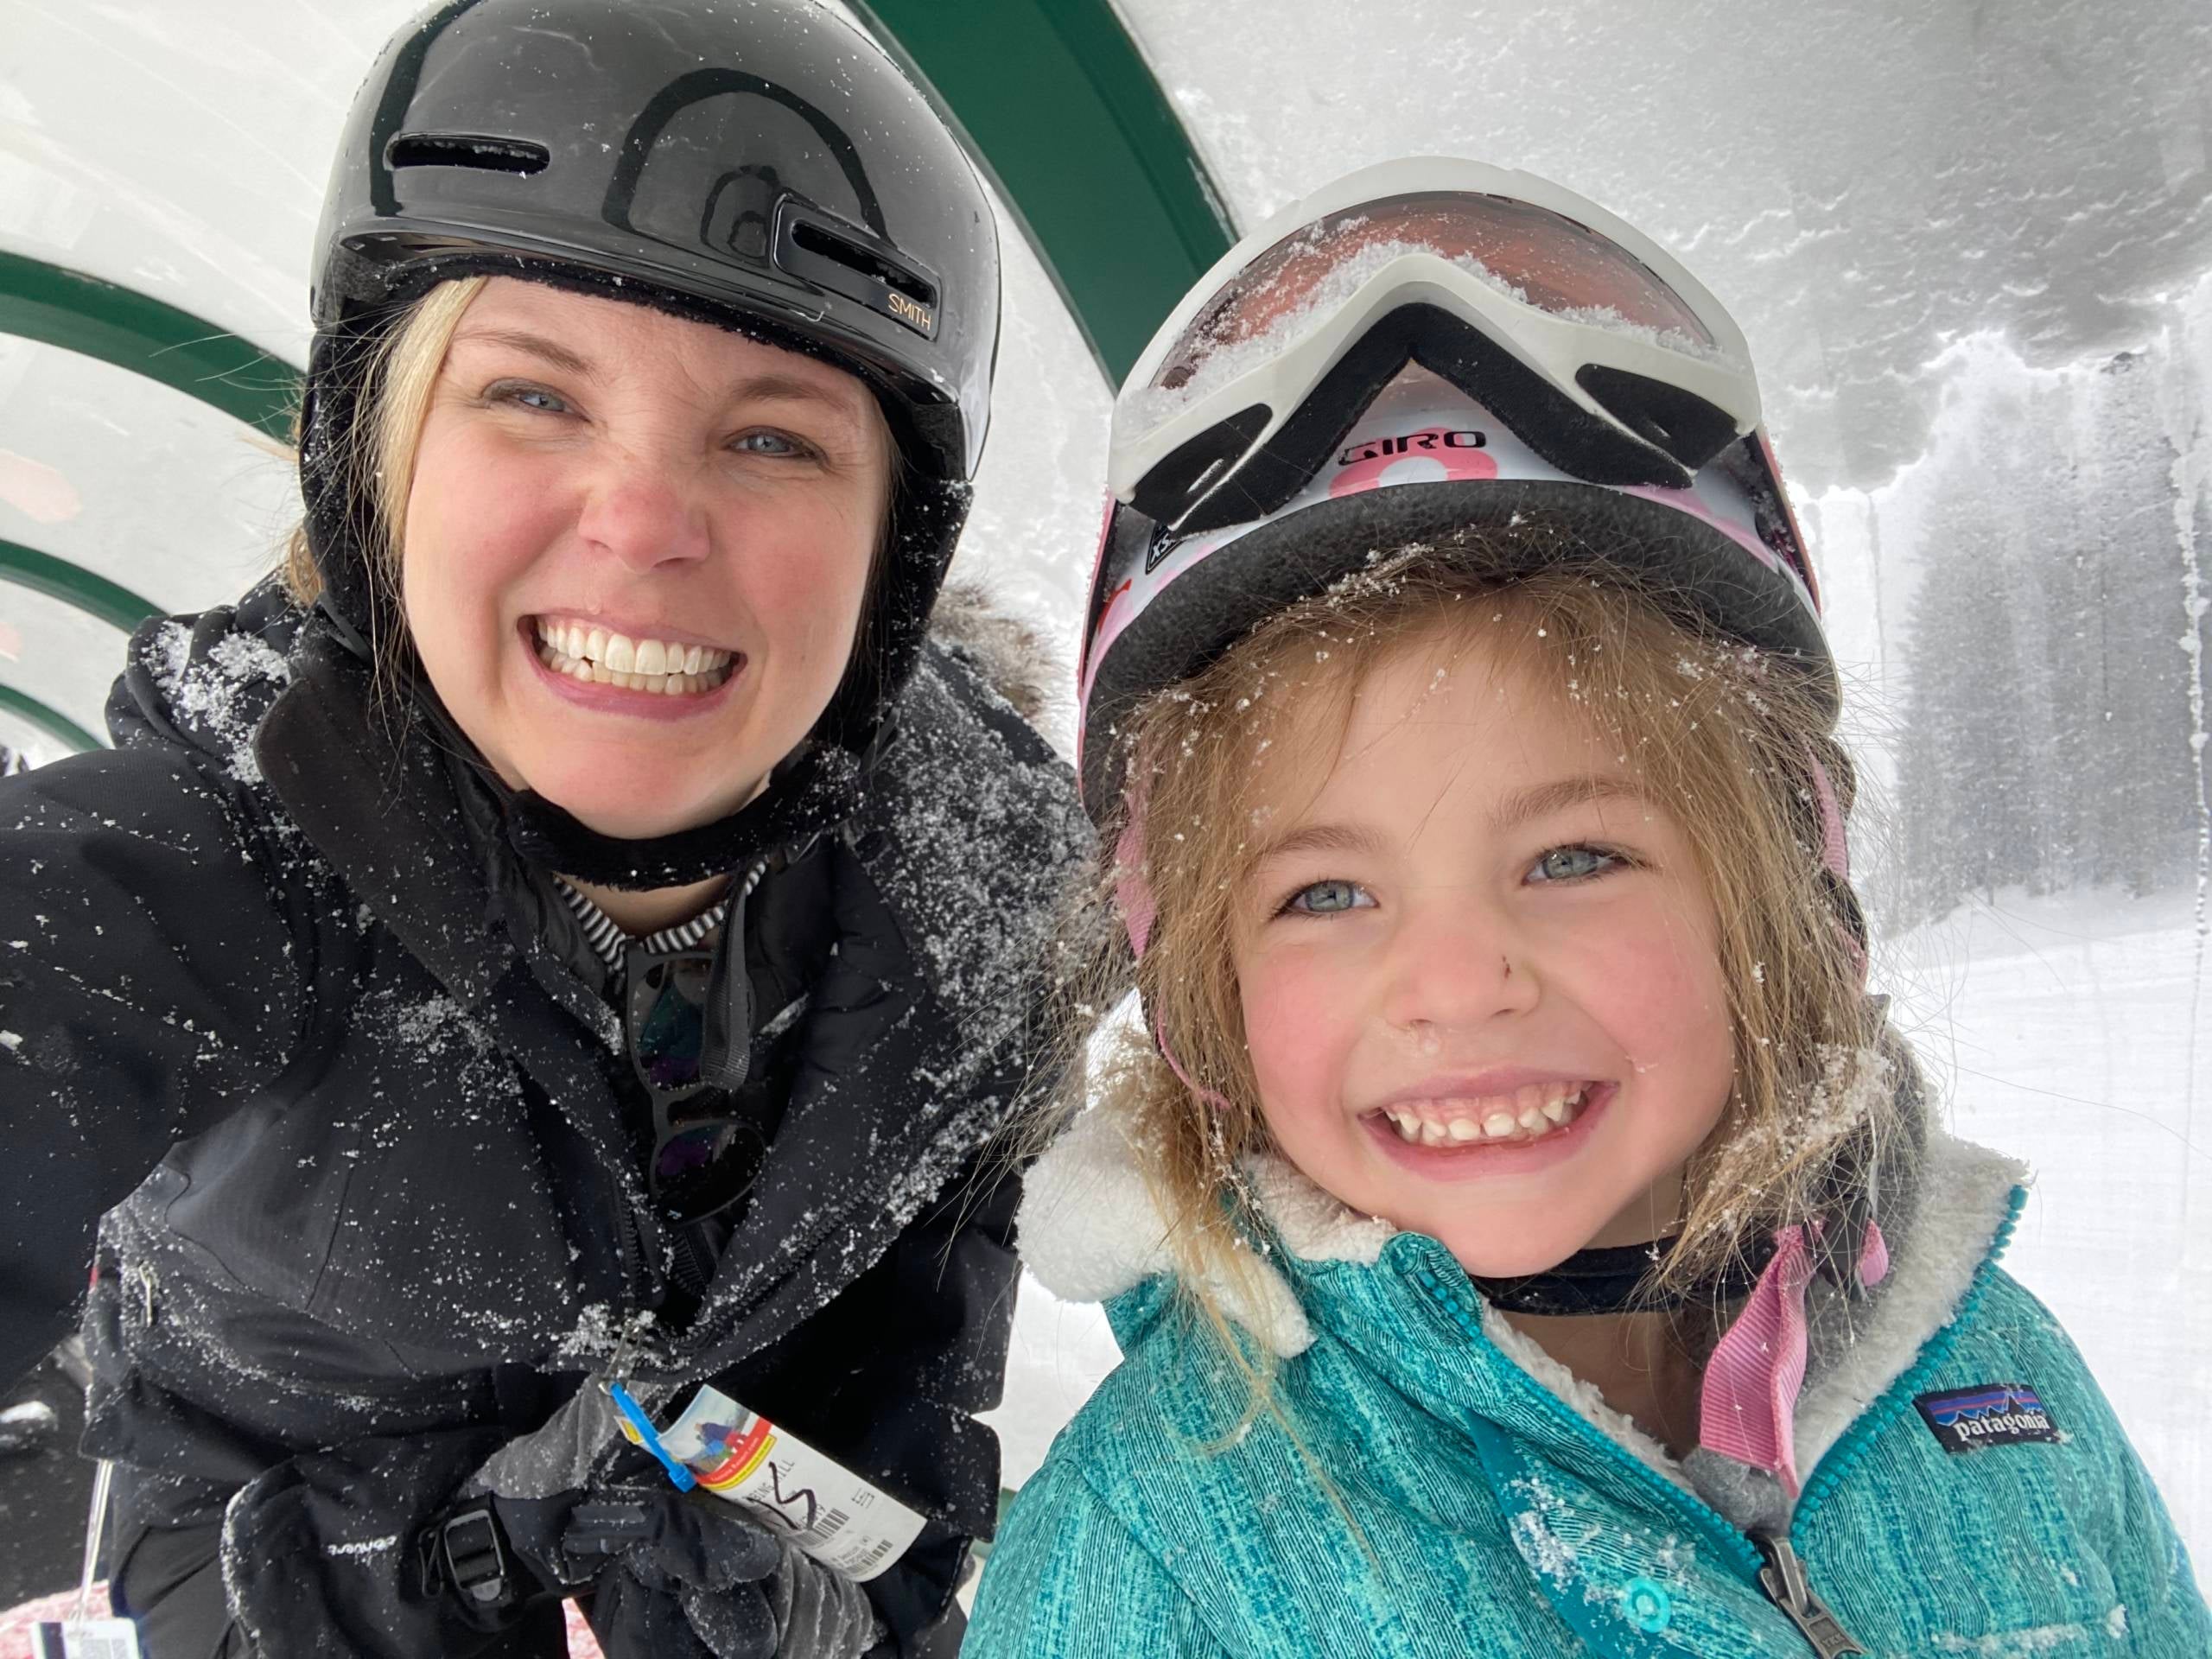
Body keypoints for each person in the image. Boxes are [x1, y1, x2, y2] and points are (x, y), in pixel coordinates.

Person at [965, 157, 2210, 1656]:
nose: (1457, 981)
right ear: (1202, 998)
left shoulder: (1993, 1384)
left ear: (1777, 904)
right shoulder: (1153, 1551)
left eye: (1572, 860)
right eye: (1327, 892)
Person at [0, 2, 1088, 1655]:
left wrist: (857, 1611)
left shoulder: (982, 910)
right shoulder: (222, 857)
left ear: (893, 548)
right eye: (533, 395)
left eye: (773, 434)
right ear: (380, 466)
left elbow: (915, 1398)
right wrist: (446, 1567)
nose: (644, 522)